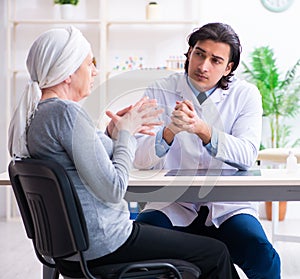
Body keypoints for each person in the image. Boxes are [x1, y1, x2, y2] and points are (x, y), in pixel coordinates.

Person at [8, 26, 240, 279]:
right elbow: (114, 188)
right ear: (68, 72)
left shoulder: (40, 114)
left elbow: (82, 159)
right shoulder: (66, 113)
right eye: (89, 64)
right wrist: (128, 133)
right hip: (105, 243)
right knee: (215, 252)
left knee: (198, 257)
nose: (95, 71)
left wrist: (112, 133)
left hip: (72, 250)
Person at [134, 22, 281, 279]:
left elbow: (247, 155)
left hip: (228, 206)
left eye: (216, 60)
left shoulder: (245, 95)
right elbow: (139, 158)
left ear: (229, 67)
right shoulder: (159, 89)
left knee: (263, 257)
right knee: (139, 244)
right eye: (199, 54)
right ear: (189, 53)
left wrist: (204, 130)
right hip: (173, 203)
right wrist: (169, 132)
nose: (203, 66)